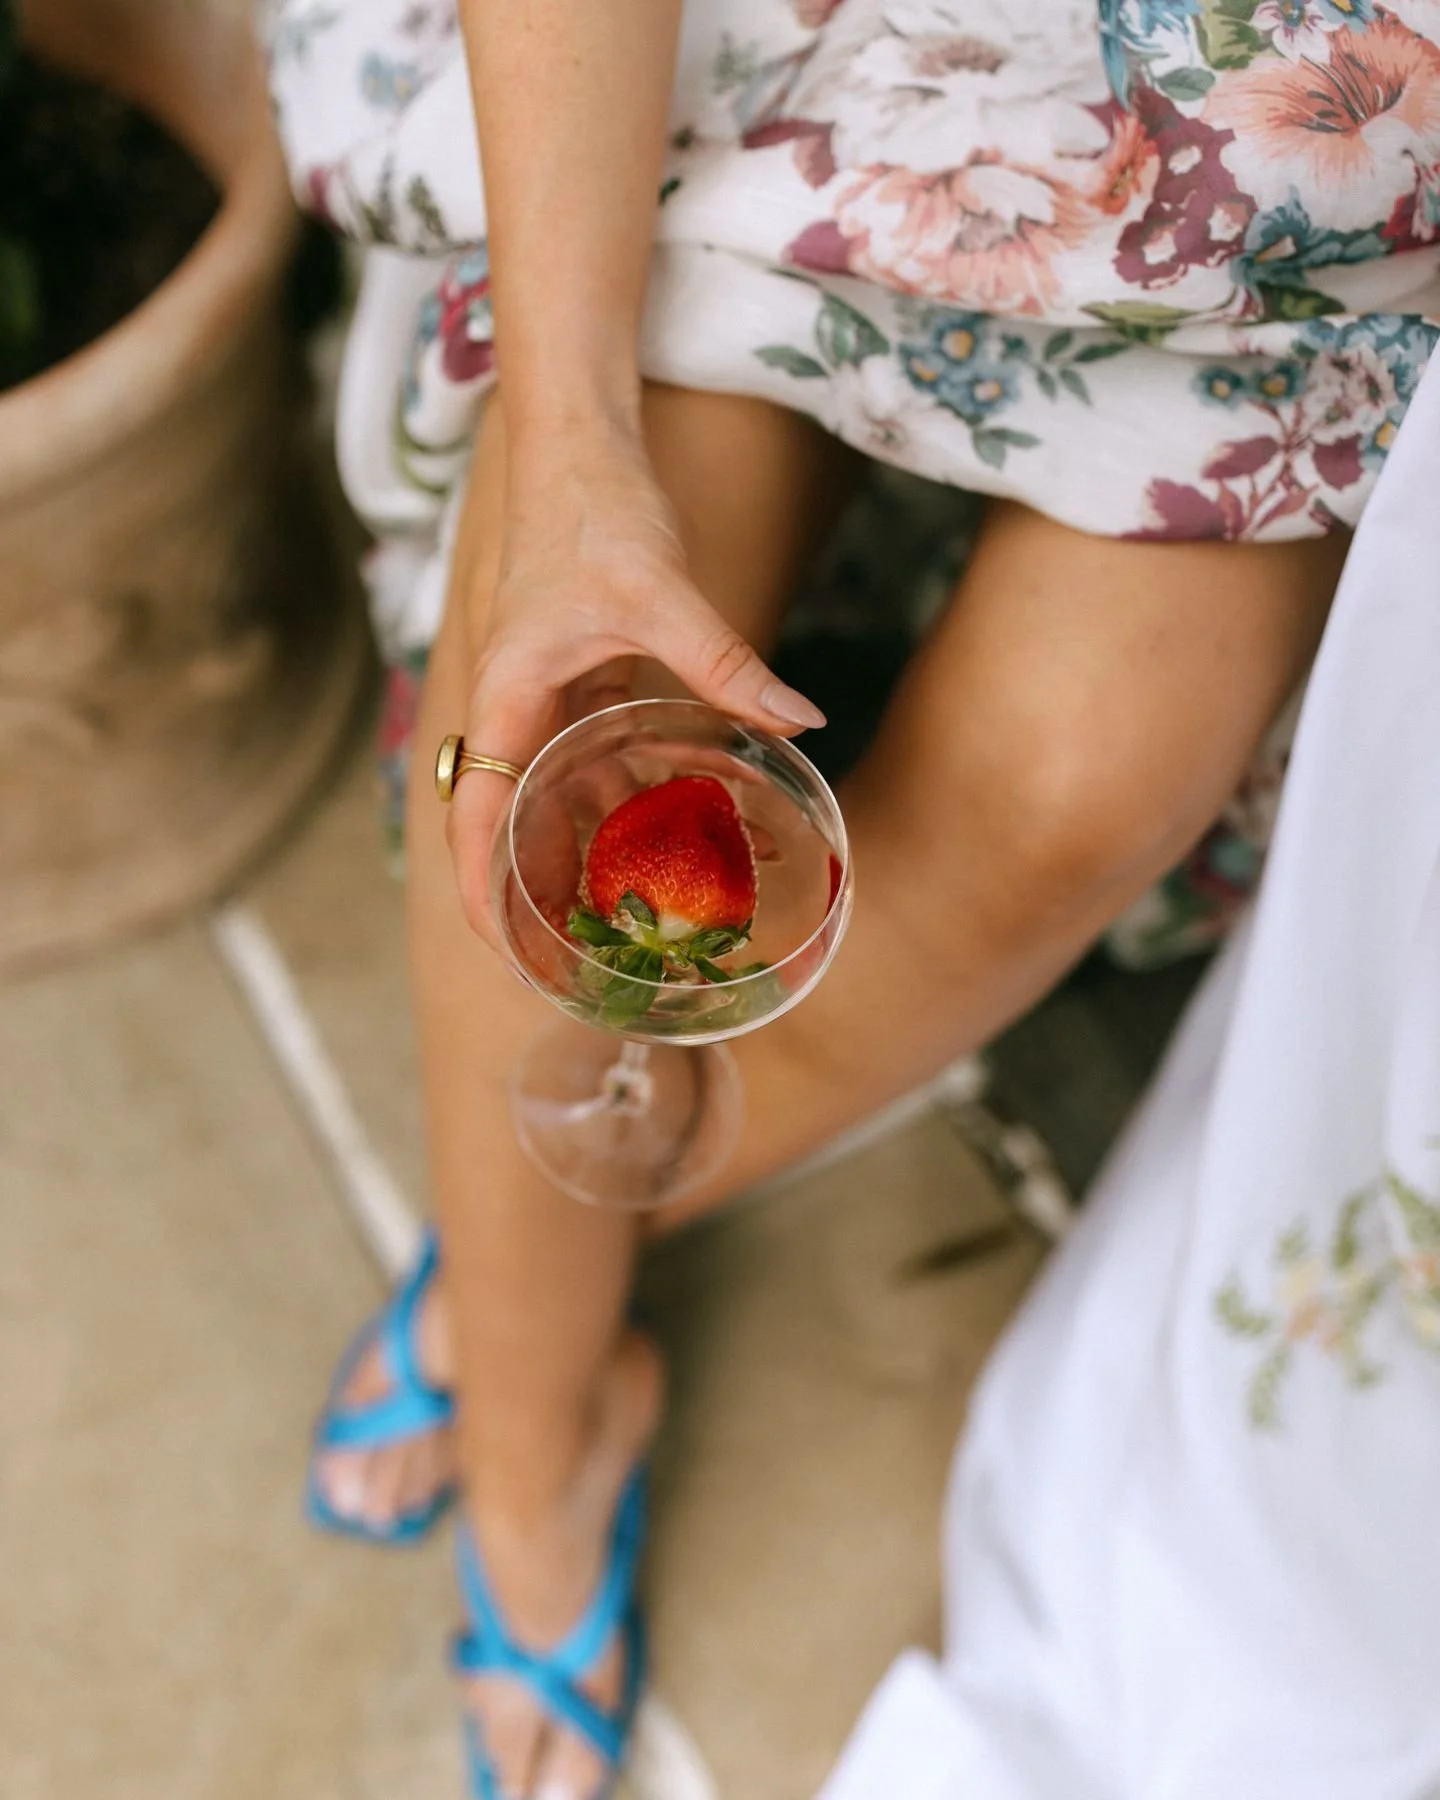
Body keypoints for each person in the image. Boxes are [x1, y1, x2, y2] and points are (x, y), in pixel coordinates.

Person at [264, 3, 1440, 1796]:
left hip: (1303, 186)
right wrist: (577, 451)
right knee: (568, 692)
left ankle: (529, 1253)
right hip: (787, 53)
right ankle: (539, 1423)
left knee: (1088, 772)